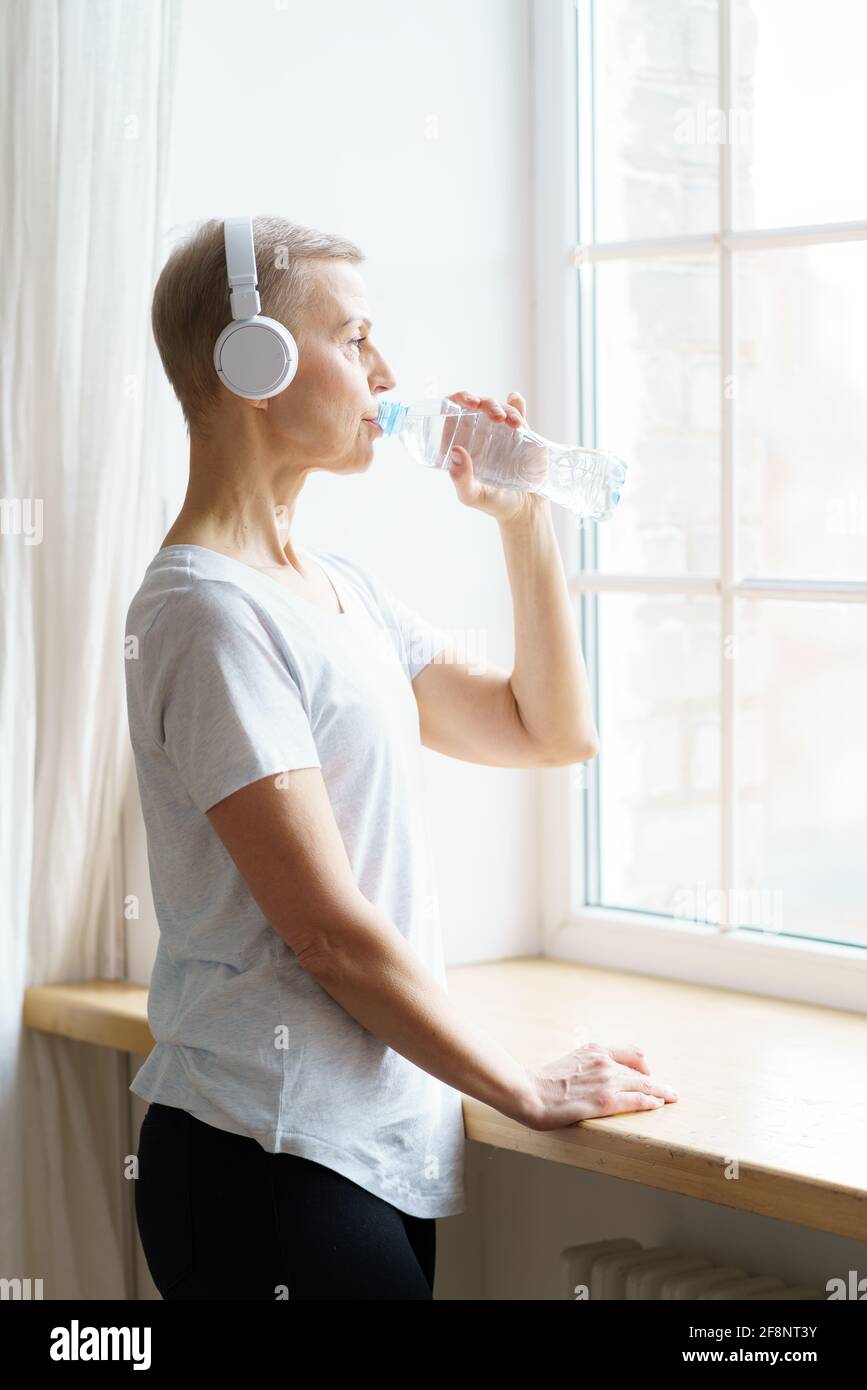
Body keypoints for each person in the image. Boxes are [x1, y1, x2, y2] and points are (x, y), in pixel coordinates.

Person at [125, 214, 677, 1302]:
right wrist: (516, 1083)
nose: (386, 373)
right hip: (267, 1158)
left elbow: (546, 728)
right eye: (357, 336)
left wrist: (520, 524)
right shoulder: (209, 613)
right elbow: (325, 931)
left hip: (364, 1149)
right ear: (256, 363)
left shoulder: (337, 588)